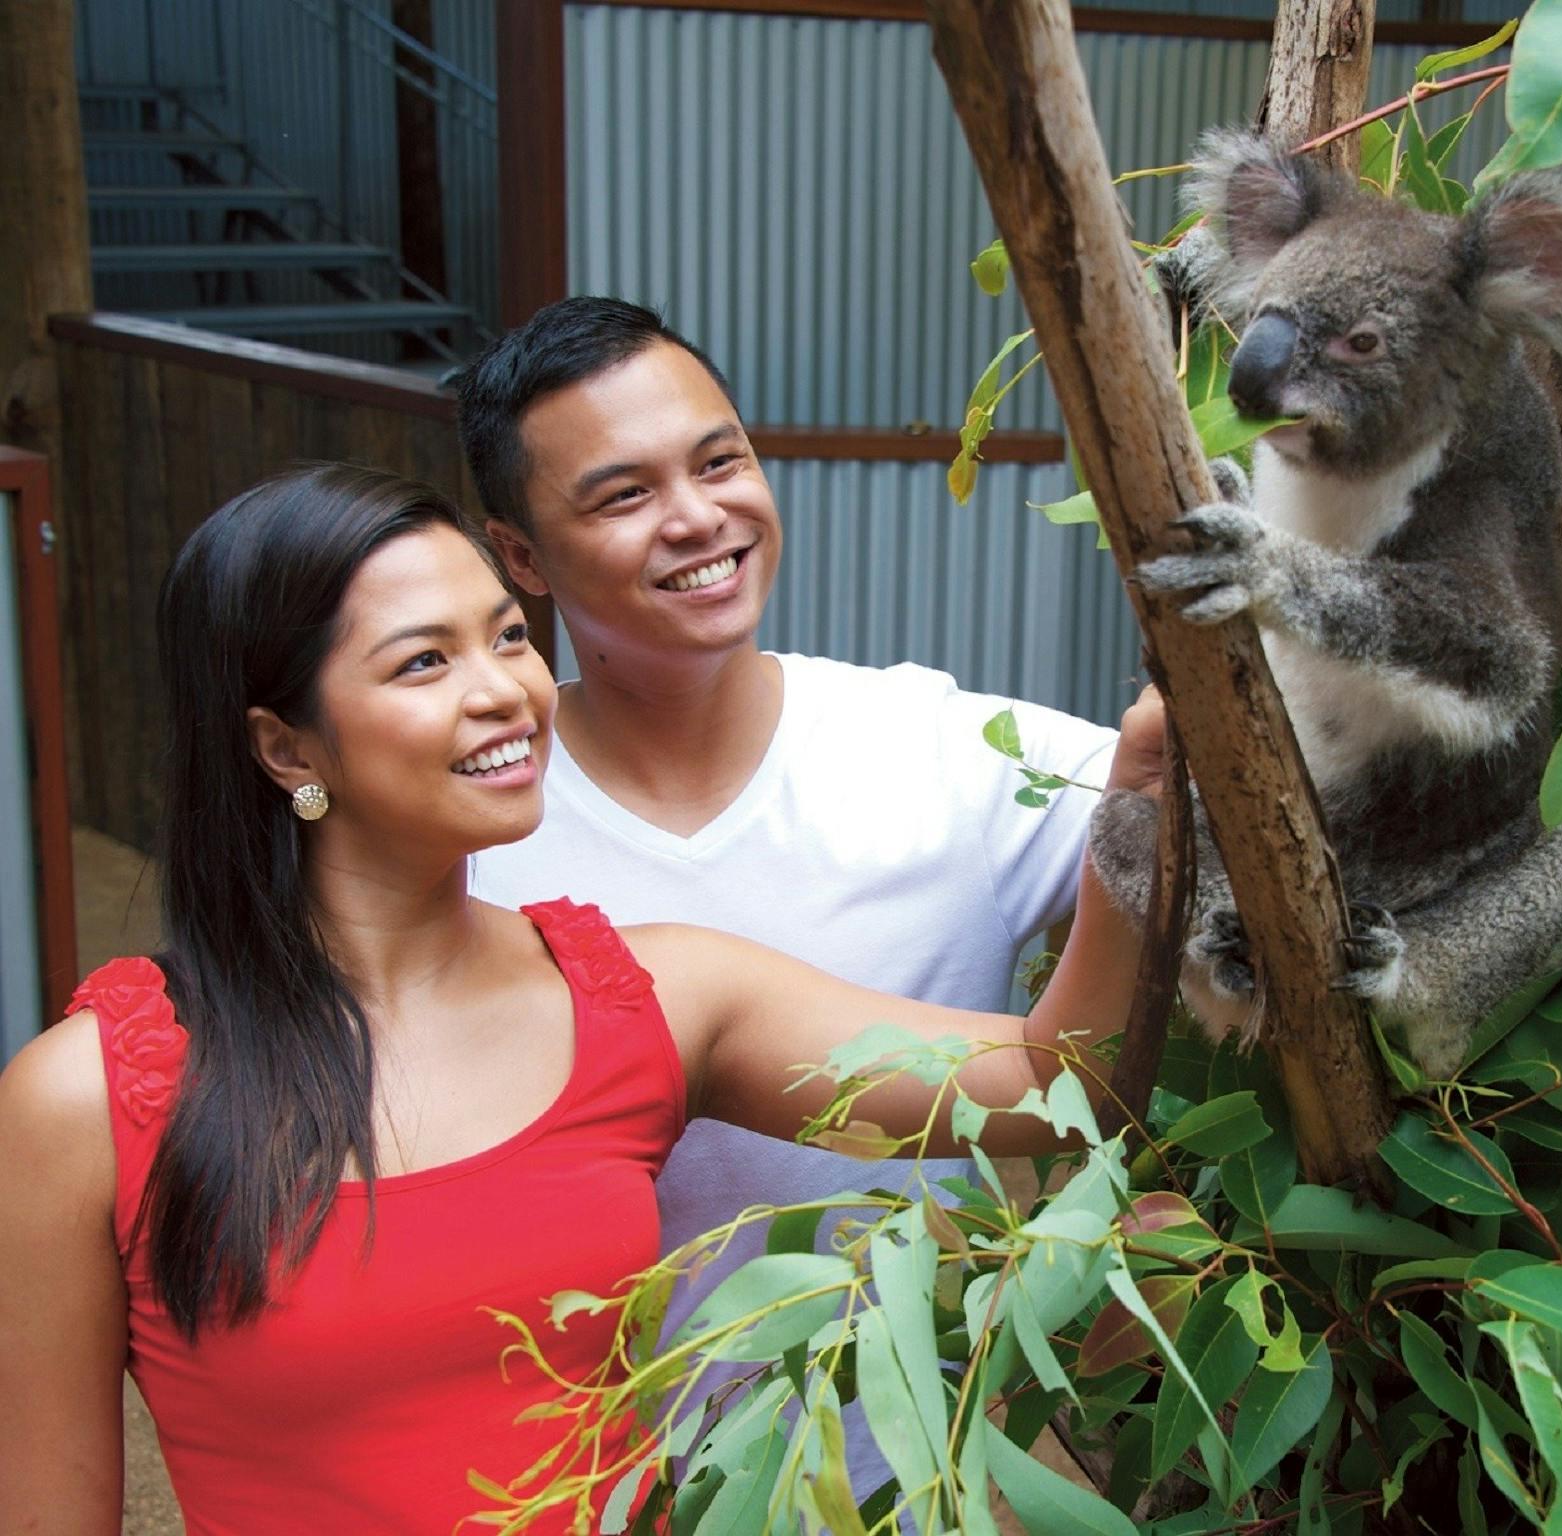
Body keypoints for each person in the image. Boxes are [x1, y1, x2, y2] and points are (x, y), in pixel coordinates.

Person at [0, 465, 1159, 1533]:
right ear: (286, 749)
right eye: (423, 661)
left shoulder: (650, 996)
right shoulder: (87, 1102)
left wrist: (1141, 809)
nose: (506, 690)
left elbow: (1056, 1087)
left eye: (507, 637)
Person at [452, 300, 1123, 1481]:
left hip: (894, 1474)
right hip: (567, 1473)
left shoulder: (938, 749)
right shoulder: (468, 824)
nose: (697, 517)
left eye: (721, 462)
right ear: (518, 557)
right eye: (623, 495)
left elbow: (1214, 834)